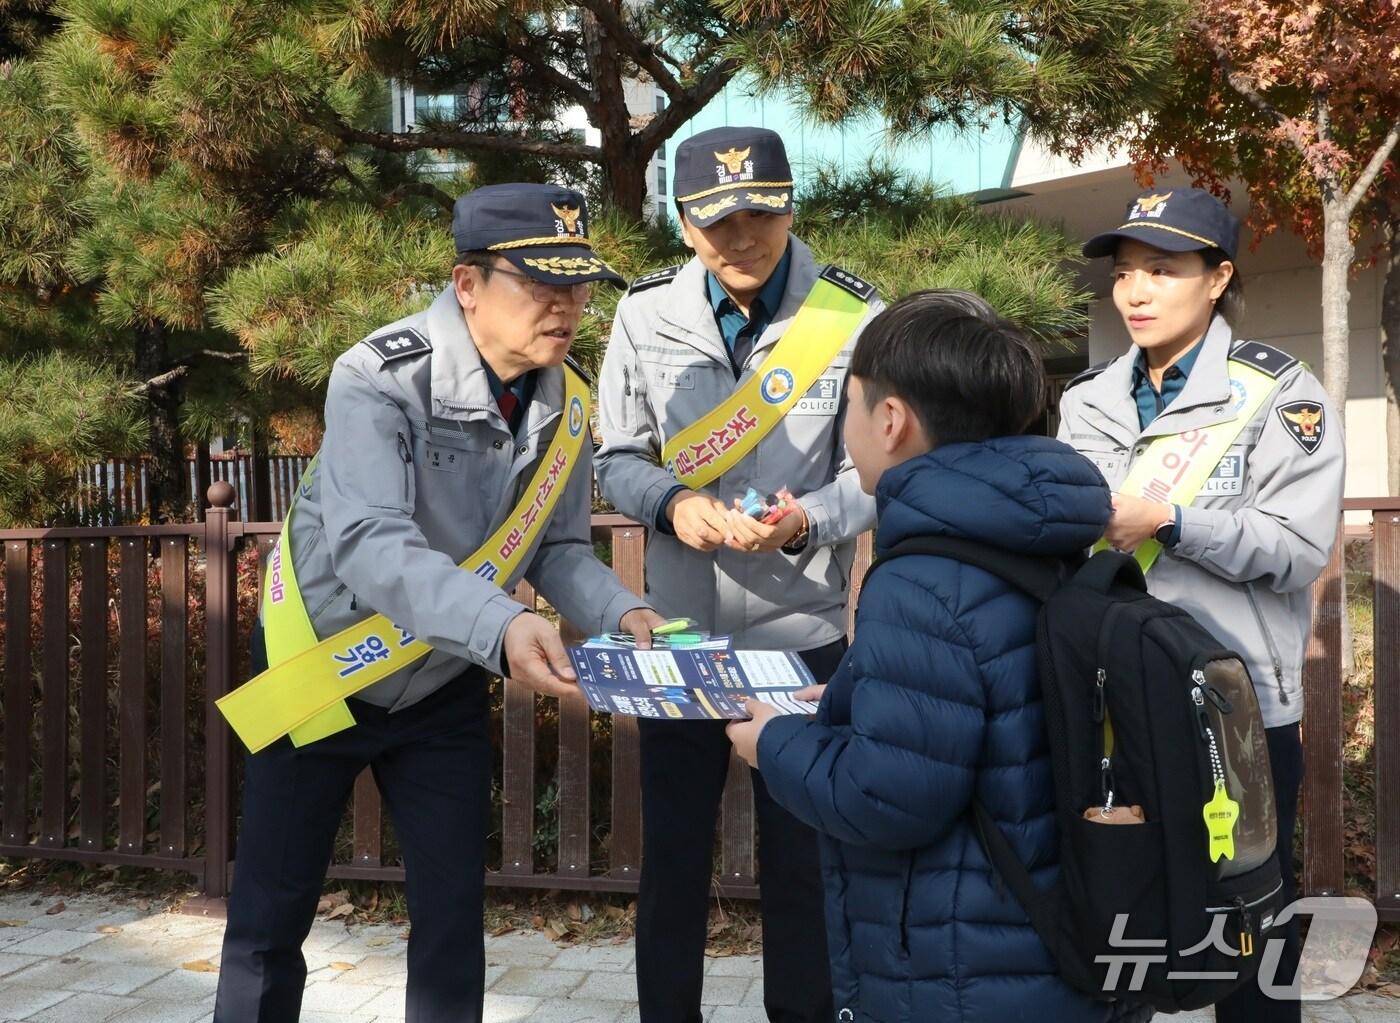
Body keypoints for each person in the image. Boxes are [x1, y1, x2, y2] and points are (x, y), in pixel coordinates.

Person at [213, 183, 662, 1023]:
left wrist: (621, 611)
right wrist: (503, 622)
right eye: (541, 286)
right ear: (468, 285)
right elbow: (370, 543)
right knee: (270, 915)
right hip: (322, 667)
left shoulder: (564, 397)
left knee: (454, 917)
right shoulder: (375, 376)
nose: (566, 308)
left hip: (444, 671)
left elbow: (557, 548)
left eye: (577, 287)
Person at [727, 289, 1146, 1022]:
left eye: (849, 403)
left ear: (890, 421)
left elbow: (886, 795)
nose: (845, 425)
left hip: (962, 971)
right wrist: (850, 703)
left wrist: (773, 743)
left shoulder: (919, 576)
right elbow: (988, 704)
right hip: (1055, 941)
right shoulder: (1041, 534)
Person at [594, 125, 881, 1023]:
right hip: (684, 638)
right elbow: (614, 456)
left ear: (791, 205)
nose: (742, 237)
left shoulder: (852, 314)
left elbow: (877, 468)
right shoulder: (644, 314)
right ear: (684, 224)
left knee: (806, 863)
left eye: (761, 212)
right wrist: (674, 503)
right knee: (672, 863)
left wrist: (808, 521)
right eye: (718, 221)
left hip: (803, 640)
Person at [1058, 187, 1345, 1022]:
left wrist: (1174, 521)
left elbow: (1295, 550)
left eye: (1162, 269)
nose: (1136, 291)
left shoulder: (1279, 395)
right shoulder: (1087, 400)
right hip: (1119, 696)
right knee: (1121, 900)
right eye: (1123, 273)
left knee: (1251, 923)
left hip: (1236, 702)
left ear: (1217, 278)